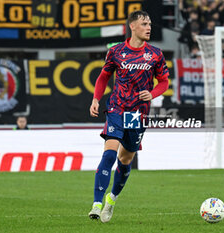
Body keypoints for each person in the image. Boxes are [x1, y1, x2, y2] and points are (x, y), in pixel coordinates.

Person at [88, 10, 169, 222]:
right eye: (144, 23)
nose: (149, 27)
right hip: (116, 108)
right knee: (109, 154)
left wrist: (152, 93)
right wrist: (96, 99)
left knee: (125, 160)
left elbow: (164, 82)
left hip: (137, 114)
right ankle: (96, 204)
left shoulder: (155, 54)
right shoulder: (115, 51)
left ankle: (111, 199)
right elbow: (103, 76)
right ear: (132, 26)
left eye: (150, 23)